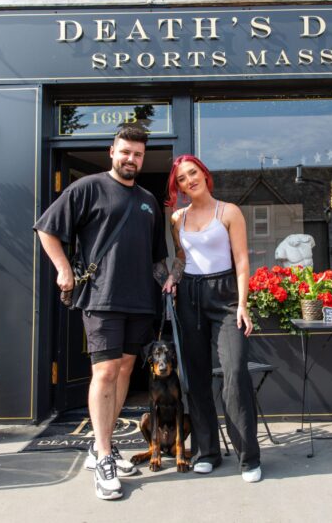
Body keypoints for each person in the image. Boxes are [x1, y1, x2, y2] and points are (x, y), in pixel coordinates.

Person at [34, 126, 168, 501]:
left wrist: (166, 281)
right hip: (100, 297)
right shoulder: (87, 188)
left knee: (125, 370)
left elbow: (157, 257)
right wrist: (63, 269)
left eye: (138, 154)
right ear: (112, 152)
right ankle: (106, 454)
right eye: (125, 152)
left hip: (140, 300)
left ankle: (100, 447)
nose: (131, 159)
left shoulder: (148, 201)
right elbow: (47, 229)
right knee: (105, 371)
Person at [161, 154, 262, 483]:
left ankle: (248, 458)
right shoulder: (177, 218)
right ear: (178, 187)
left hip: (225, 295)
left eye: (193, 173)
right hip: (189, 296)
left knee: (234, 373)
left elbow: (242, 261)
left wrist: (243, 304)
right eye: (181, 179)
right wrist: (174, 278)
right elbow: (181, 257)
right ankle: (207, 451)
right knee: (196, 377)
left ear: (204, 174)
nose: (189, 180)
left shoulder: (229, 211)